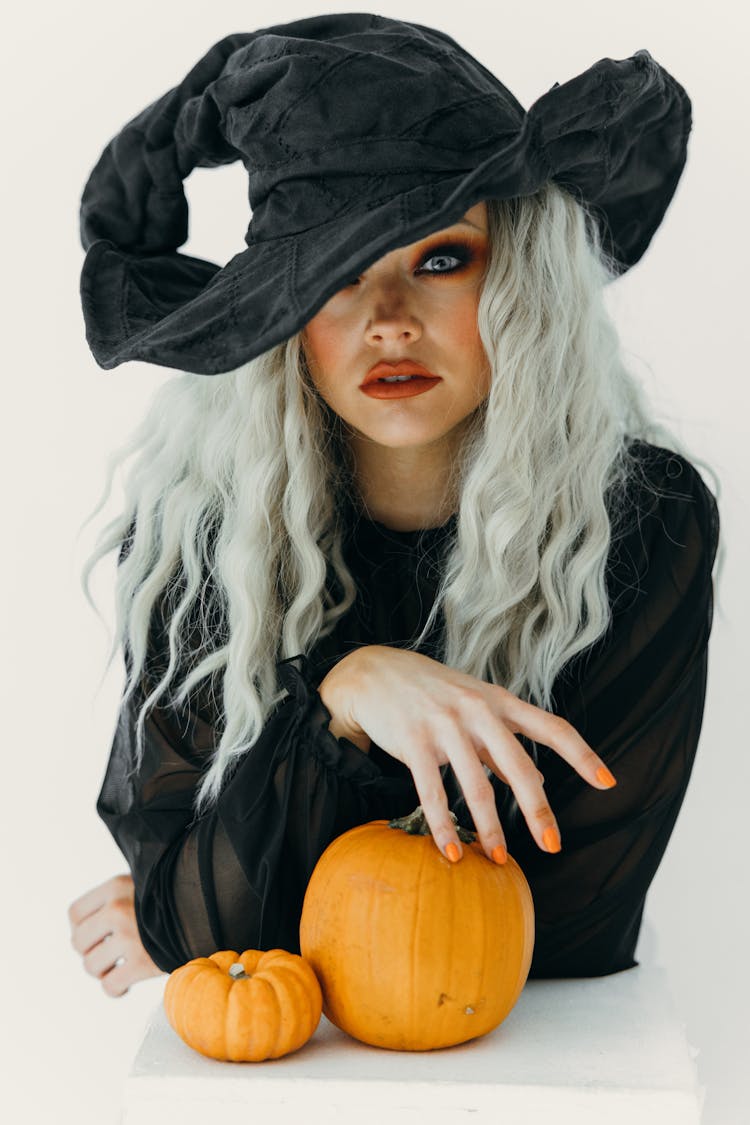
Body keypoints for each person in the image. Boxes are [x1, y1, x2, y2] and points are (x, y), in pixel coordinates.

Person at [67, 15, 721, 998]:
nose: (388, 322)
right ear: (284, 317)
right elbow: (195, 920)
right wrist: (346, 698)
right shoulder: (202, 533)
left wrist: (231, 878)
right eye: (334, 273)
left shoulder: (638, 523)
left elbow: (574, 927)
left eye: (441, 258)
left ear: (519, 282)